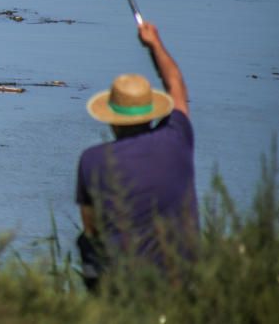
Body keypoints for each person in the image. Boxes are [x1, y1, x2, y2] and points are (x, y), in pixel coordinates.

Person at [75, 22, 198, 290]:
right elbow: (176, 86)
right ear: (151, 112)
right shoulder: (177, 139)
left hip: (122, 283)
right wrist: (154, 43)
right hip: (181, 280)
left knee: (87, 243)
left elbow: (92, 229)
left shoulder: (93, 160)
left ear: (112, 120)